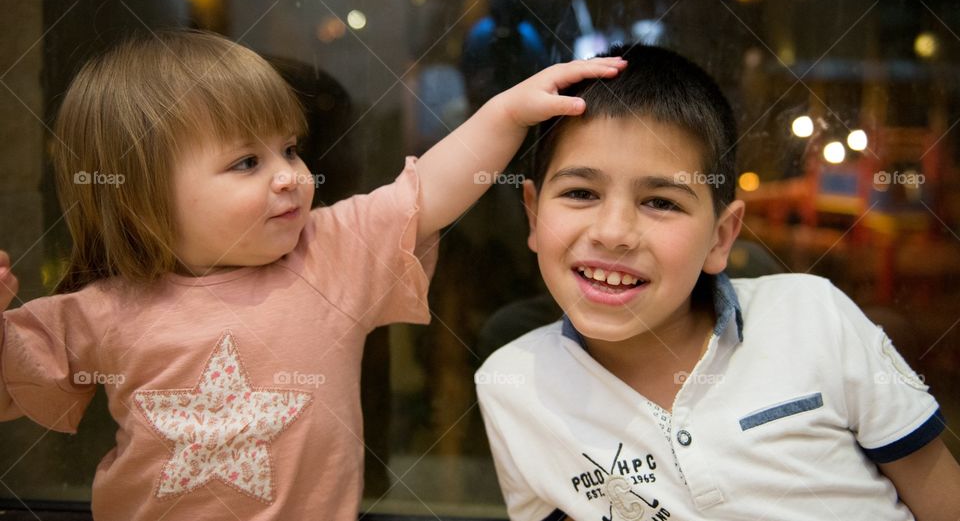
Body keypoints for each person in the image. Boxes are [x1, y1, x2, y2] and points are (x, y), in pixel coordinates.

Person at [0, 29, 626, 521]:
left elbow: (427, 191)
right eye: (247, 161)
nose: (291, 176)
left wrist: (506, 115)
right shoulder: (104, 310)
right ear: (141, 195)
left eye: (290, 149)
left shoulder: (330, 253)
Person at [476, 43, 960, 520]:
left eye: (661, 202)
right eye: (581, 193)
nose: (613, 233)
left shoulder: (814, 318)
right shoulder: (513, 387)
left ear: (720, 237)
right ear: (534, 215)